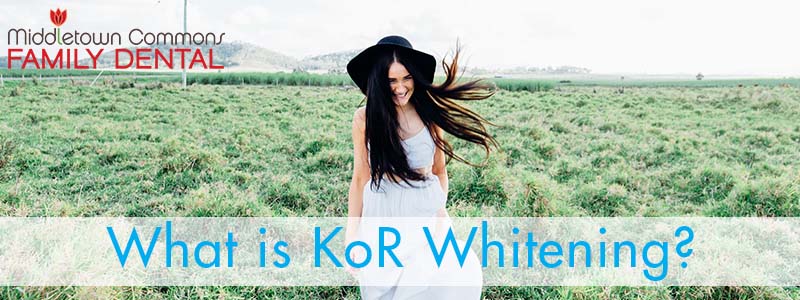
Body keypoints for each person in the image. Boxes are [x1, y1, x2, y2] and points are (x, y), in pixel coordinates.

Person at [345, 35, 498, 300]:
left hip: (424, 217)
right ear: (379, 80)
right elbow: (360, 179)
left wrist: (438, 211)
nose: (400, 87)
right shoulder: (364, 118)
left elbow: (439, 171)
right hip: (383, 217)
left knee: (432, 287)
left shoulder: (429, 113)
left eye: (406, 78)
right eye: (392, 80)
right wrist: (351, 236)